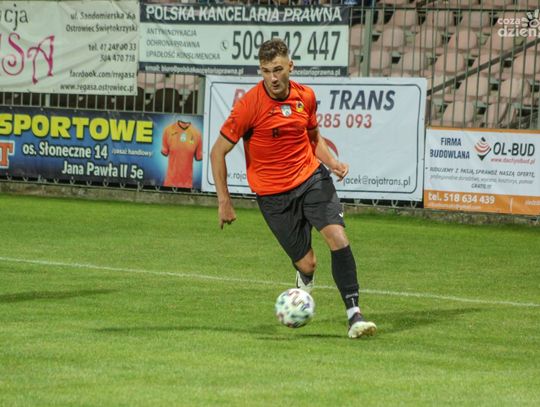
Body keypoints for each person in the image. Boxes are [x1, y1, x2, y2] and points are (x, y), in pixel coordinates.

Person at [210, 38, 376, 339]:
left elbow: (313, 138)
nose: (272, 78)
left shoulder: (305, 97)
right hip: (273, 197)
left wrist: (333, 163)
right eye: (265, 71)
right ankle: (304, 276)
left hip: (311, 179)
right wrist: (224, 200)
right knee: (308, 263)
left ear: (290, 66)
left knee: (338, 238)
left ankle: (354, 315)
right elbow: (217, 152)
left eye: (277, 69)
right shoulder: (249, 106)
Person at [161, 120, 202, 189]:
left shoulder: (197, 134)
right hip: (169, 183)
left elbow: (199, 157)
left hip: (187, 185)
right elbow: (164, 151)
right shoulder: (168, 130)